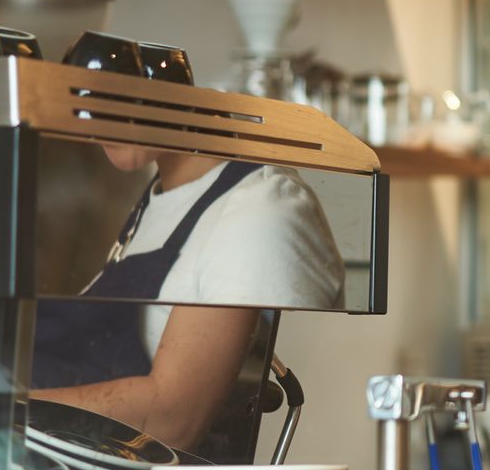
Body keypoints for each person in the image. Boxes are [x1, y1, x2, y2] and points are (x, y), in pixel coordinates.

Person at [31, 141, 344, 451]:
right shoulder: (157, 199)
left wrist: (2, 407)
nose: (90, 119)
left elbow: (172, 420)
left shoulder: (257, 208)